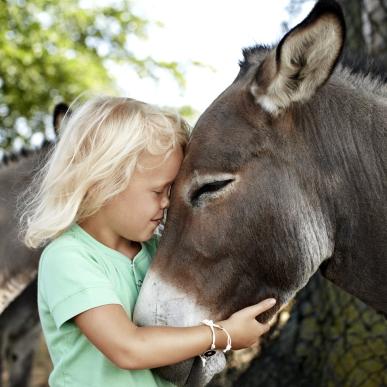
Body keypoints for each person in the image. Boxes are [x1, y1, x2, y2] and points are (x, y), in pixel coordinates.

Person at [20, 96, 276, 387]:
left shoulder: (156, 251)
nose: (168, 203)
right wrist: (223, 334)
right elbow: (127, 348)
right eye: (159, 191)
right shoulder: (69, 258)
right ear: (103, 183)